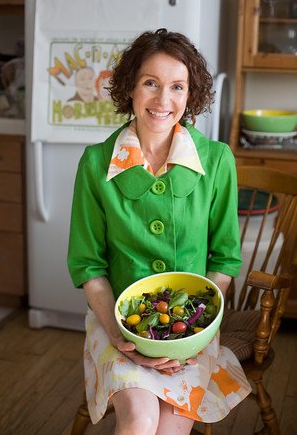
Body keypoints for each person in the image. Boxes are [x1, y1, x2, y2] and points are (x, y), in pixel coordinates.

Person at [67, 28, 251, 435]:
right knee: (138, 421)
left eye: (177, 86)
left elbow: (224, 260)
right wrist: (120, 337)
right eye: (150, 83)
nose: (163, 100)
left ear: (190, 95)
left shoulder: (217, 160)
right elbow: (88, 264)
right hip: (115, 326)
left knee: (169, 427)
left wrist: (196, 335)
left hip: (193, 333)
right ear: (130, 86)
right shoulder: (97, 163)